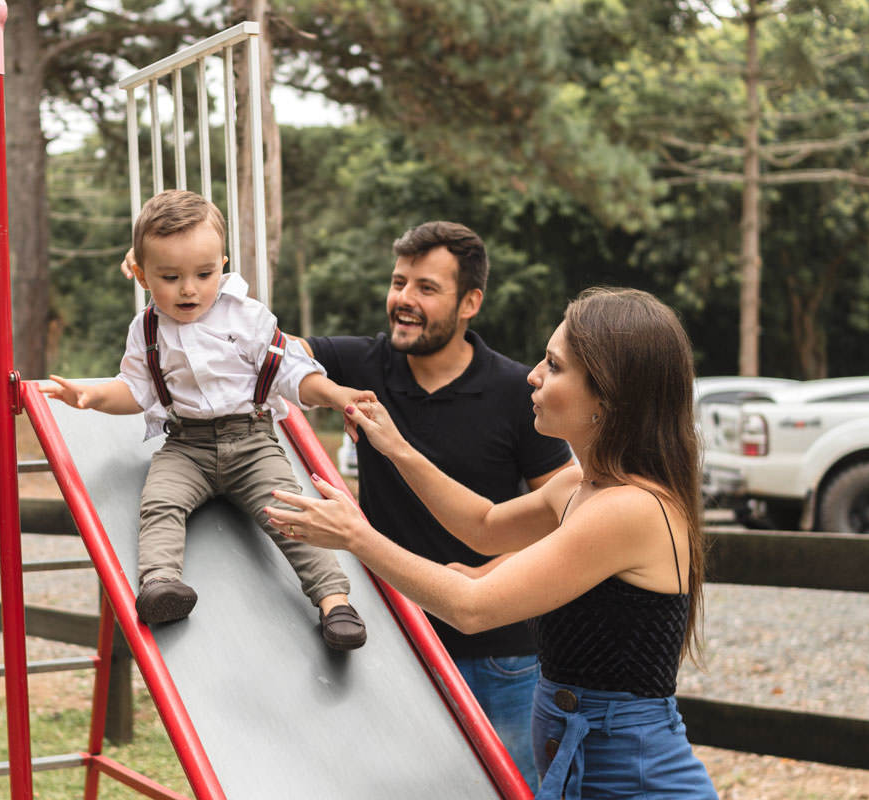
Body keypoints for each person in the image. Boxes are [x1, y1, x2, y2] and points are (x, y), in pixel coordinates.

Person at [268, 287, 719, 799]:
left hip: (632, 781)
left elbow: (473, 608)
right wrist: (395, 447)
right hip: (579, 765)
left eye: (554, 364)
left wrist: (356, 537)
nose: (533, 374)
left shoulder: (630, 509)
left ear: (607, 399)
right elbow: (483, 525)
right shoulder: (579, 487)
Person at [301, 222, 573, 785]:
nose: (403, 299)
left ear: (470, 302)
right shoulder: (362, 366)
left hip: (499, 654)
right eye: (399, 282)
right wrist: (331, 392)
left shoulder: (517, 392)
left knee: (510, 789)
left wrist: (486, 579)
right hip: (393, 641)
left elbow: (565, 515)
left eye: (426, 287)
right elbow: (266, 351)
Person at [44, 189, 373, 650]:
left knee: (291, 514)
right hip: (186, 447)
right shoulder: (147, 329)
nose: (188, 288)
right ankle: (160, 584)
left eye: (204, 273)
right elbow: (135, 390)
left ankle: (334, 603)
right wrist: (93, 395)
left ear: (223, 262)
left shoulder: (248, 317)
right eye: (170, 276)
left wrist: (337, 395)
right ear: (140, 274)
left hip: (253, 441)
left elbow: (292, 373)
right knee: (159, 502)